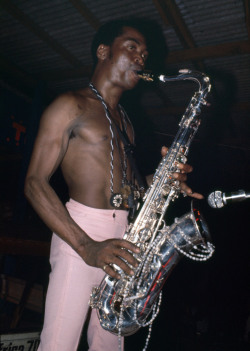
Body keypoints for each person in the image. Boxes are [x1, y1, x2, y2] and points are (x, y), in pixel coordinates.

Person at [24, 19, 203, 351]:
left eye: (145, 54)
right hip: (80, 233)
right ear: (103, 52)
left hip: (125, 241)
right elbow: (34, 183)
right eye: (132, 48)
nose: (141, 59)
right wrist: (86, 246)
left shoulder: (126, 122)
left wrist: (163, 180)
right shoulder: (70, 105)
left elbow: (128, 190)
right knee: (58, 345)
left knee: (109, 346)